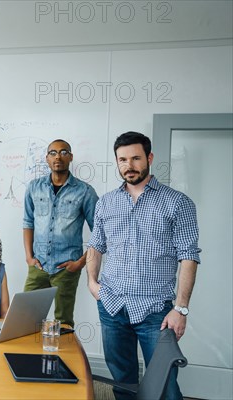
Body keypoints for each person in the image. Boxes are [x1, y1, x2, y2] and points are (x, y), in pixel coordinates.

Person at [86, 131, 200, 400]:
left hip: (156, 314)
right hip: (112, 306)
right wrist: (93, 283)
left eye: (136, 158)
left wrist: (180, 308)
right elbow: (95, 245)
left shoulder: (178, 203)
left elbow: (189, 256)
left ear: (149, 158)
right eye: (122, 159)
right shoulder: (106, 202)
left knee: (166, 387)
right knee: (122, 381)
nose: (129, 165)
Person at [22, 139, 98, 327]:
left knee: (63, 323)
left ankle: (59, 357)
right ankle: (29, 356)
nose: (58, 157)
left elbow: (100, 232)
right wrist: (29, 258)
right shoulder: (34, 187)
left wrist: (80, 262)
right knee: (25, 319)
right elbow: (27, 222)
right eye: (53, 153)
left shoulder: (85, 191)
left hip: (66, 269)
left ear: (71, 157)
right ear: (47, 158)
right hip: (38, 266)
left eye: (64, 152)